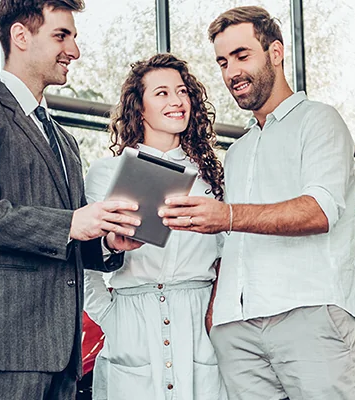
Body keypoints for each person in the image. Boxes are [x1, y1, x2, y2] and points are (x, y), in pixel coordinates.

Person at [0, 0, 144, 398]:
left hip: (62, 349)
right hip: (5, 345)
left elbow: (71, 238)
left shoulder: (64, 140)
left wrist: (109, 242)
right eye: (61, 36)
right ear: (21, 36)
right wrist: (70, 224)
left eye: (74, 38)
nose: (74, 51)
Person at [159, 6, 355, 399]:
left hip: (309, 315)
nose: (231, 72)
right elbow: (226, 244)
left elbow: (318, 211)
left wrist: (228, 216)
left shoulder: (320, 121)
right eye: (222, 62)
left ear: (275, 52)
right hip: (235, 329)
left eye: (242, 56)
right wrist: (216, 315)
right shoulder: (237, 151)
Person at [83, 53, 228, 400]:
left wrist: (213, 315)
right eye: (162, 93)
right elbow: (84, 259)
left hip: (198, 323)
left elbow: (229, 258)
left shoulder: (212, 178)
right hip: (131, 319)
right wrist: (111, 316)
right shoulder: (106, 173)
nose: (177, 101)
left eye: (182, 91)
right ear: (139, 108)